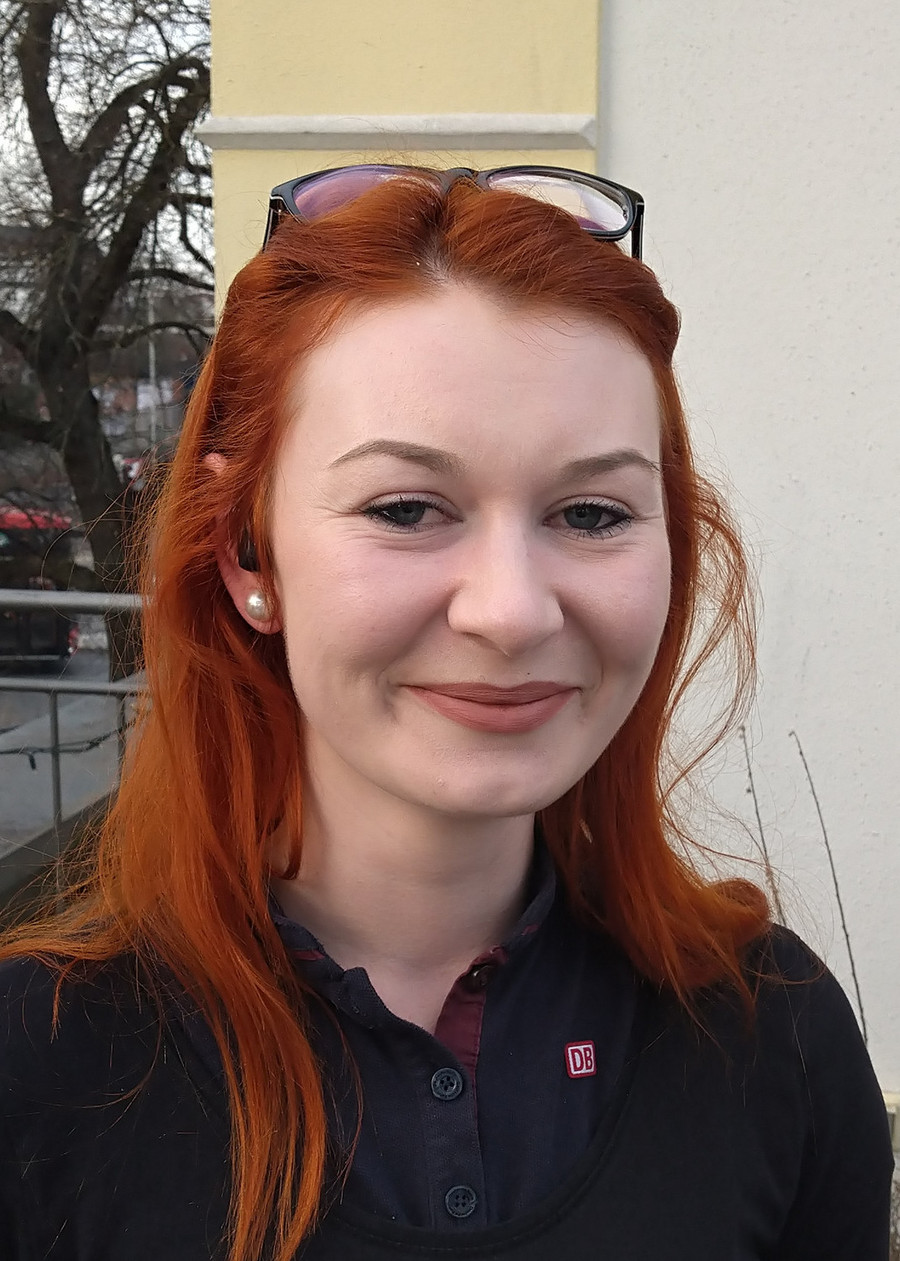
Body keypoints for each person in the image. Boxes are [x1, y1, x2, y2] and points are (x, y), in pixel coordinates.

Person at [0, 166, 892, 1261]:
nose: (511, 611)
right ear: (246, 552)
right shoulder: (37, 1069)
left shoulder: (775, 1039)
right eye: (407, 507)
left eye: (591, 513)